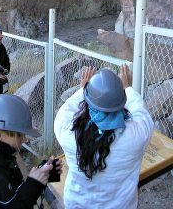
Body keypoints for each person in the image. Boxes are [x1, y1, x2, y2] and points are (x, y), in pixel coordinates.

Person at [54, 65, 154, 209]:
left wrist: (83, 89)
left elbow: (67, 110)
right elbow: (140, 111)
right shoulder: (137, 135)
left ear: (87, 103)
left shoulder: (69, 134)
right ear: (122, 103)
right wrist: (127, 87)